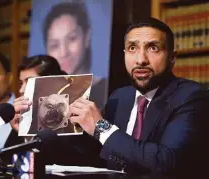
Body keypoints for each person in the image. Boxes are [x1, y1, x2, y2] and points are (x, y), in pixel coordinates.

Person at [69, 17, 209, 178]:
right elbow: (97, 153)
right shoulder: (120, 97)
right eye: (132, 48)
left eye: (153, 48)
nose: (141, 59)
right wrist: (49, 128)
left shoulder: (191, 97)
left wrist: (101, 127)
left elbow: (165, 161)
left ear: (172, 58)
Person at [6, 55, 103, 172]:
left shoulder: (79, 119)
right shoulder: (22, 119)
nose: (21, 90)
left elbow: (80, 162)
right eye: (21, 83)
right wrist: (26, 134)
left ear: (52, 84)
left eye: (30, 82)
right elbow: (7, 162)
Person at [42, 1, 107, 110]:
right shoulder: (43, 97)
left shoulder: (108, 90)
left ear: (86, 37)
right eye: (54, 45)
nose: (63, 53)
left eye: (72, 38)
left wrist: (98, 123)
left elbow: (112, 127)